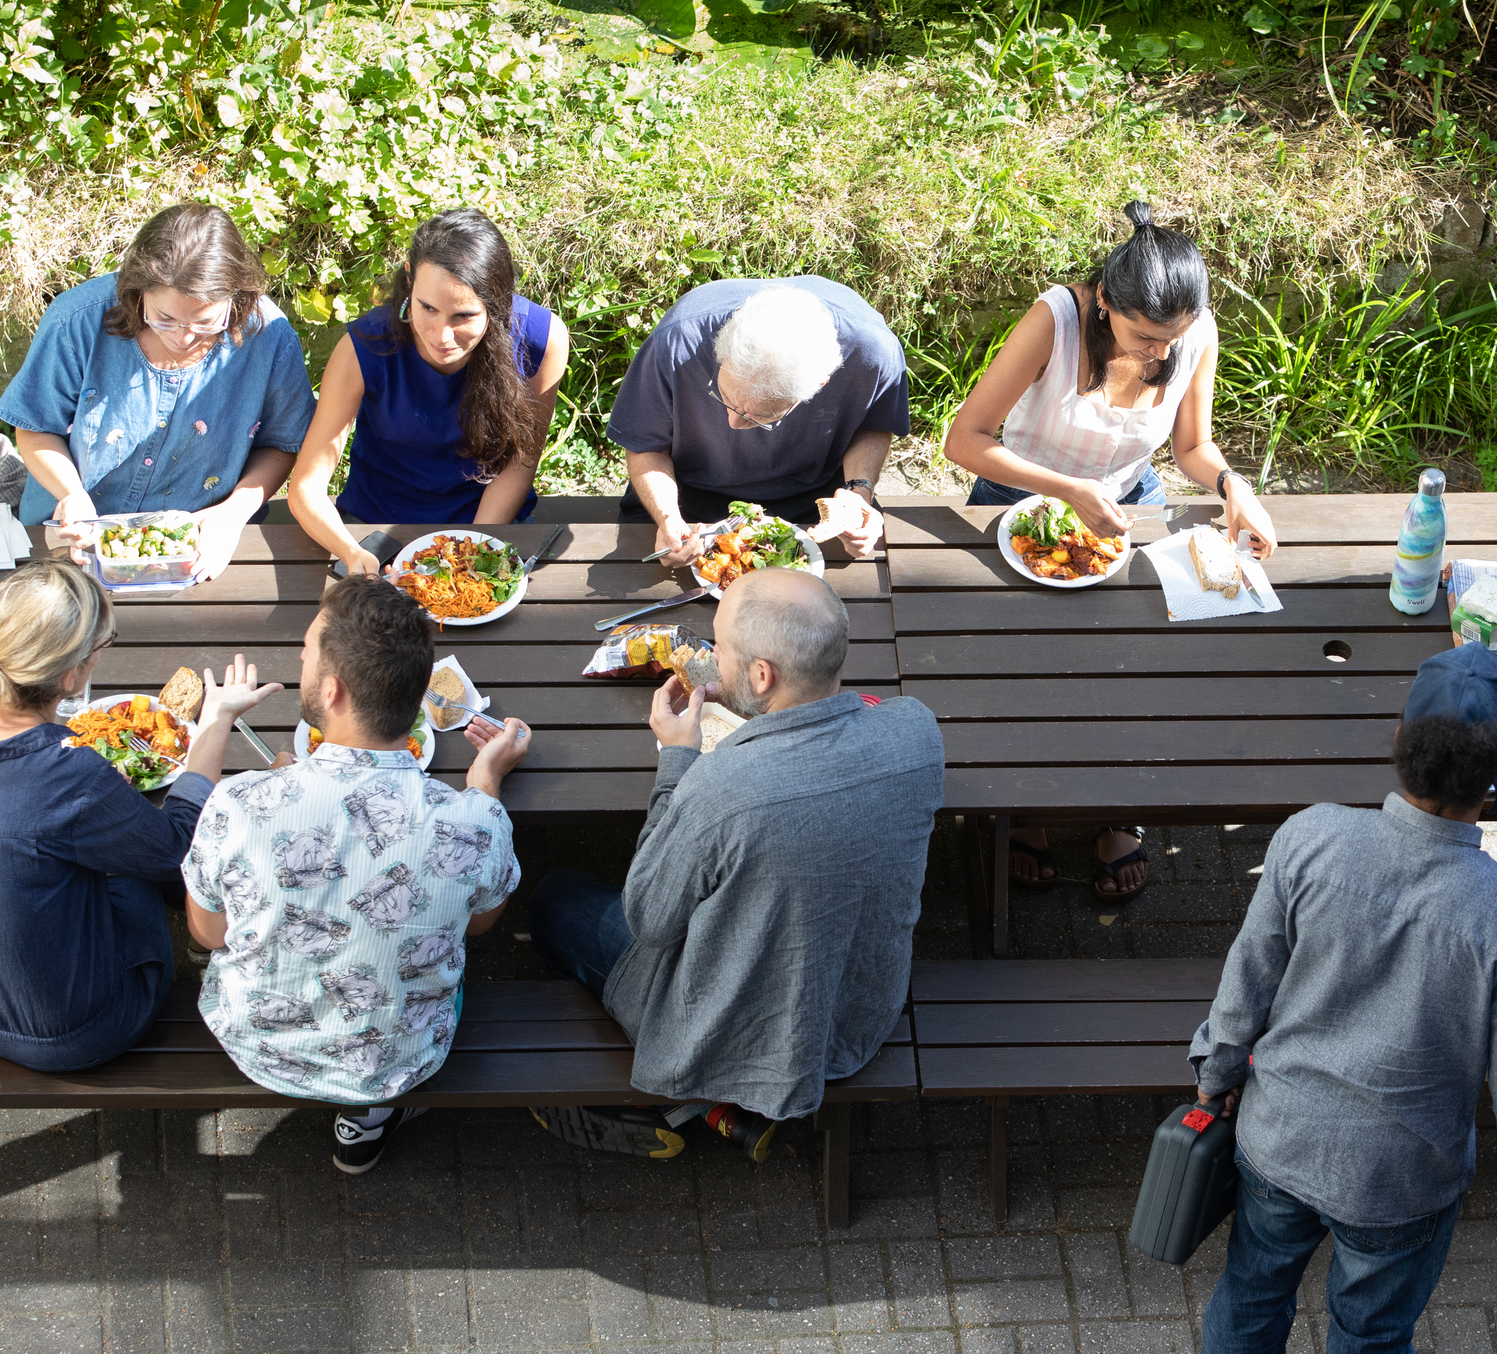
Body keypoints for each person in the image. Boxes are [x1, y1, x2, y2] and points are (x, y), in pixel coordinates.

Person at [1191, 644, 1497, 1354]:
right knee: (1372, 1332)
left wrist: (1217, 1077)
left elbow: (1245, 984)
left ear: (1398, 741)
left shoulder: (1310, 836)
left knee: (1248, 1299)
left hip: (1279, 1140)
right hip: (1402, 1179)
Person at [523, 567, 942, 1160]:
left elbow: (652, 920)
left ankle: (686, 1093)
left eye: (718, 646)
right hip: (855, 1019)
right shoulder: (917, 731)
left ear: (761, 674)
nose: (709, 656)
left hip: (733, 1030)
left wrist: (677, 760)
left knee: (556, 897)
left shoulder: (718, 786)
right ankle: (724, 1112)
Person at [943, 199, 1280, 901]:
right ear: (1103, 302)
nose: (1160, 354)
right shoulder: (1055, 320)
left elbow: (1190, 446)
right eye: (1143, 337)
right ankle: (1028, 811)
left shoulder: (1192, 334)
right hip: (1020, 499)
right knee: (1019, 663)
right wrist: (1066, 491)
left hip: (1128, 502)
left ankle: (1116, 809)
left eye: (1173, 339)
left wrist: (1231, 485)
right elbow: (965, 439)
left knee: (1144, 658)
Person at [182, 574, 533, 1173]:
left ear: (334, 691)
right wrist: (485, 783)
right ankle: (368, 1119)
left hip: (257, 1044)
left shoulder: (238, 804)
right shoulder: (475, 822)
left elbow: (208, 935)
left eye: (305, 652)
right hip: (399, 1058)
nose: (298, 659)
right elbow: (479, 925)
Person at [0, 560, 276, 1071]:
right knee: (137, 869)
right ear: (72, 675)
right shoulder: (74, 776)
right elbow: (177, 847)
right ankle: (210, 939)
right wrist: (216, 720)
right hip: (75, 1032)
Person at [0, 202, 318, 584]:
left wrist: (232, 514)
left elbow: (282, 443)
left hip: (201, 545)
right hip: (68, 540)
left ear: (238, 298)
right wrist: (70, 493)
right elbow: (35, 426)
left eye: (206, 322)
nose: (183, 337)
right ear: (137, 293)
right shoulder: (76, 320)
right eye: (164, 318)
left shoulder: (269, 336)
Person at [286, 208, 569, 577]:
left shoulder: (541, 340)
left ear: (497, 300)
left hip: (488, 525)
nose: (441, 335)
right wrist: (353, 553)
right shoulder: (363, 348)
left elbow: (520, 461)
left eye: (463, 316)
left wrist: (471, 549)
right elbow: (306, 486)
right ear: (409, 278)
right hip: (374, 531)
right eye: (428, 308)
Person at [607, 276, 904, 562]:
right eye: (725, 397)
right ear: (719, 352)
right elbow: (646, 446)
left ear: (820, 385)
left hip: (812, 499)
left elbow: (872, 424)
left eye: (760, 418)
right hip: (686, 496)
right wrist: (668, 518)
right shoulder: (677, 341)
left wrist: (858, 492)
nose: (734, 425)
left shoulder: (873, 352)